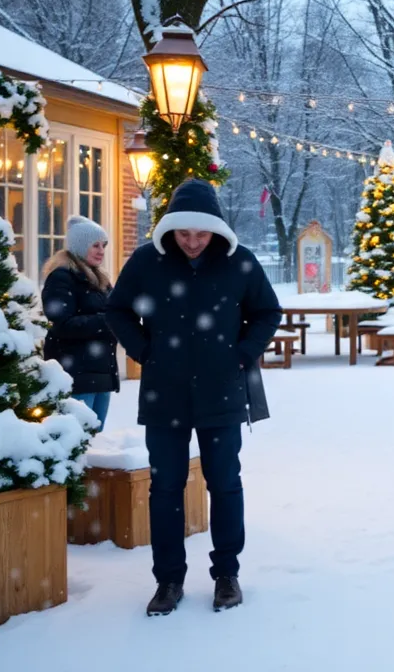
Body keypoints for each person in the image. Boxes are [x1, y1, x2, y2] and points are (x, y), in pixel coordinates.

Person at [105, 180, 282, 617]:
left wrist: (241, 353)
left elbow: (267, 311)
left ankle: (227, 574)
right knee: (165, 488)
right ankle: (168, 580)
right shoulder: (148, 260)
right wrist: (144, 351)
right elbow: (117, 309)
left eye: (201, 234)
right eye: (184, 234)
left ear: (216, 230)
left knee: (224, 484)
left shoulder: (239, 261)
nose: (192, 242)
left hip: (221, 395)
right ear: (171, 230)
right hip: (165, 397)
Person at [41, 216, 119, 432]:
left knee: (95, 434)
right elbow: (62, 324)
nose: (101, 250)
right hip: (76, 375)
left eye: (103, 245)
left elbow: (115, 314)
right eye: (95, 245)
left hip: (102, 373)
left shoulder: (100, 280)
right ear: (80, 246)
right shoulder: (62, 278)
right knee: (76, 438)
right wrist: (108, 321)